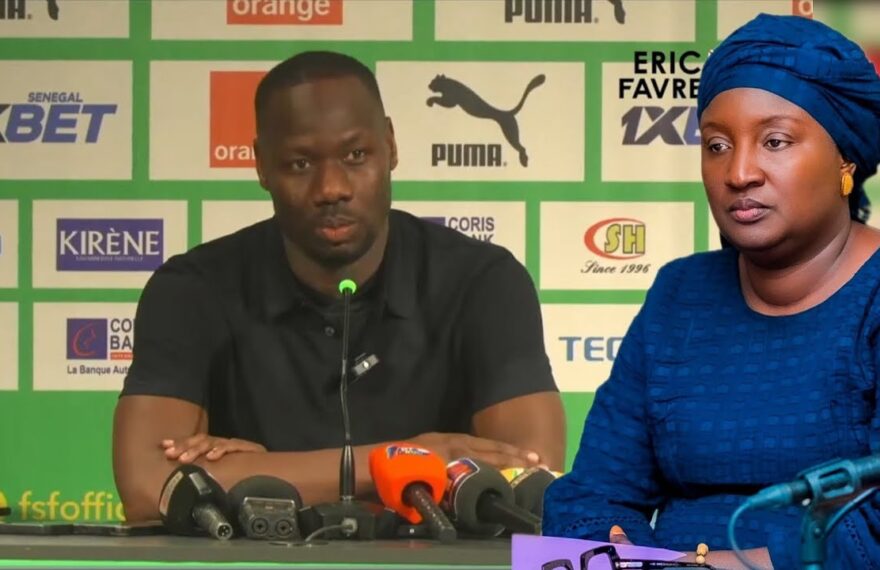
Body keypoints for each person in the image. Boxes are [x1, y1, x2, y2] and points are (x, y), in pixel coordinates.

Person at [113, 51, 565, 522]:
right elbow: (148, 488)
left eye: (355, 156)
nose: (331, 188)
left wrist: (252, 473)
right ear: (262, 166)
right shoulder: (191, 289)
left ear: (390, 145)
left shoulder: (484, 281)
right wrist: (408, 460)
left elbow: (528, 483)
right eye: (300, 163)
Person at [542, 14, 880, 570]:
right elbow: (593, 492)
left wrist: (710, 567)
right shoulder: (680, 296)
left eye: (774, 141)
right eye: (717, 145)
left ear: (846, 157)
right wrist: (615, 552)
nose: (739, 172)